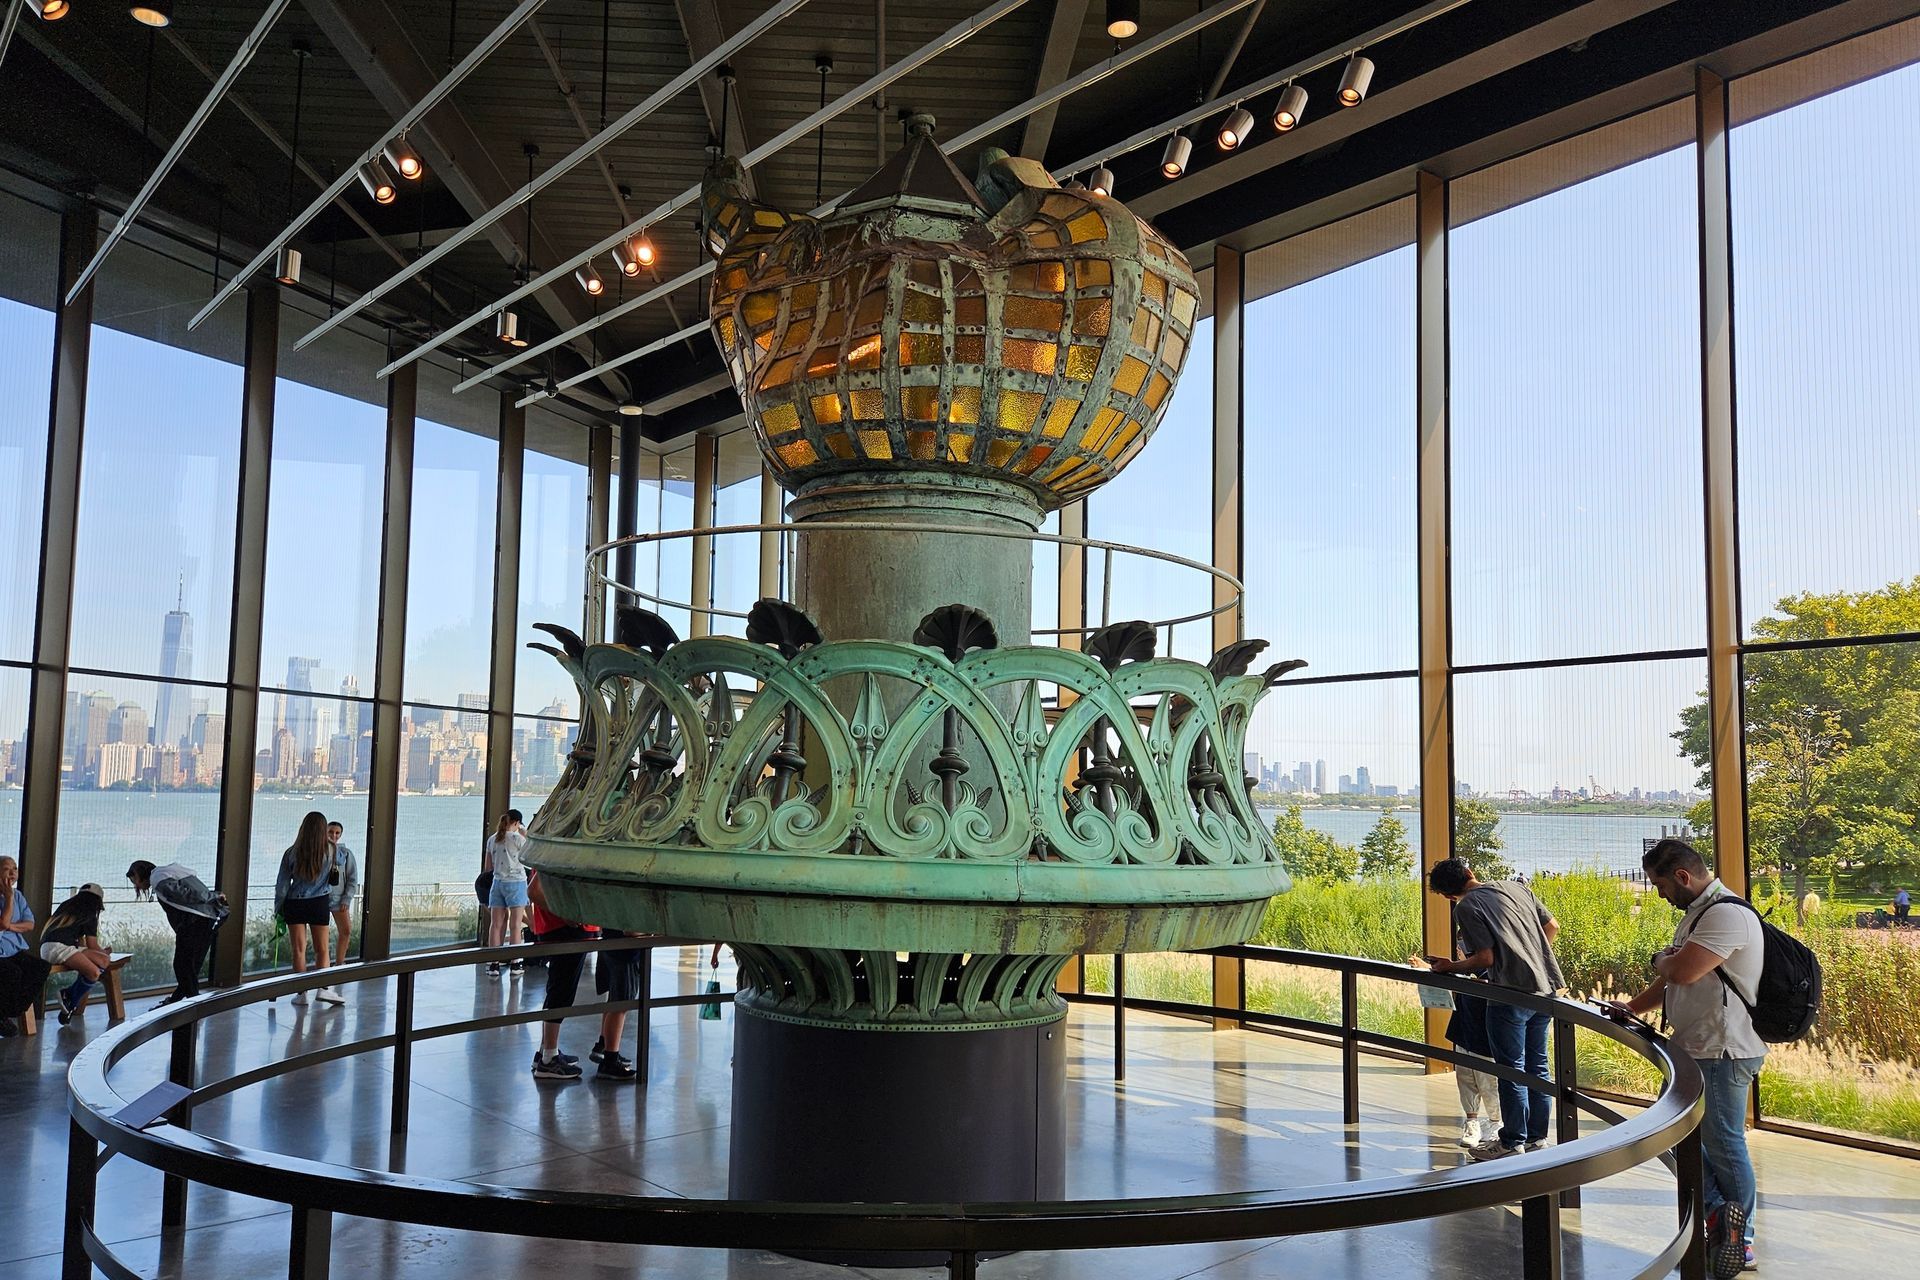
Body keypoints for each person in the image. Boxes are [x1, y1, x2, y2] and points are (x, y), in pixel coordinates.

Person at [1604, 838, 1766, 1274]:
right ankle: (1719, 1217)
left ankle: (1741, 1239)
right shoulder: (1700, 914)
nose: (1659, 895)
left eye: (1660, 886)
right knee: (1679, 1136)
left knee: (1724, 1144)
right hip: (1695, 1047)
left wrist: (1661, 957)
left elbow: (1681, 970)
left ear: (1682, 876)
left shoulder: (1727, 915)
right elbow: (1675, 981)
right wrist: (1633, 1007)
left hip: (1722, 1049)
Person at [1423, 856, 1563, 1162]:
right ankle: (1537, 1137)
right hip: (1545, 987)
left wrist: (1449, 966)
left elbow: (1485, 959)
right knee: (1538, 1066)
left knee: (1510, 1069)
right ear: (1470, 872)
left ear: (1447, 895)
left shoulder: (1466, 907)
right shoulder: (1516, 888)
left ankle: (1512, 1141)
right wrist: (1532, 958)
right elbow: (1552, 926)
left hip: (1508, 994)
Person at [126, 858, 228, 1006]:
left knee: (182, 966)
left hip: (197, 921)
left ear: (138, 874)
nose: (136, 885)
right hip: (207, 918)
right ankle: (178, 1000)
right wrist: (213, 896)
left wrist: (214, 896)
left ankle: (195, 1004)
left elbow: (184, 895)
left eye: (133, 880)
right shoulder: (167, 873)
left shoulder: (158, 878)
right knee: (190, 966)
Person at [275, 811, 343, 1007]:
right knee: (322, 949)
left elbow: (282, 885)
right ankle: (323, 989)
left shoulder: (291, 852)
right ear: (323, 829)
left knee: (298, 950)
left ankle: (301, 994)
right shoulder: (332, 850)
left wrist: (278, 908)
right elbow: (341, 862)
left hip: (295, 903)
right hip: (319, 902)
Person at [526, 871, 589, 1081]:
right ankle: (549, 1059)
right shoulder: (554, 858)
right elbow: (534, 890)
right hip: (565, 929)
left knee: (558, 988)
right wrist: (566, 915)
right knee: (561, 991)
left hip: (561, 928)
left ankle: (546, 1050)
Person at [39, 885, 110, 1025]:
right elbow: (92, 945)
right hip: (58, 948)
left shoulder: (67, 906)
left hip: (52, 947)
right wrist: (105, 952)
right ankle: (70, 996)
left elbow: (81, 942)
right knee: (94, 972)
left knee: (103, 960)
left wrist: (102, 954)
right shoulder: (90, 912)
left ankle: (69, 1002)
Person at [0, 856, 52, 1037]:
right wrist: (8, 898)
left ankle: (10, 1011)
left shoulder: (18, 896)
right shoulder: (12, 896)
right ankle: (4, 1015)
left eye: (15, 868)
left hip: (14, 949)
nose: (12, 873)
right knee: (12, 973)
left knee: (41, 967)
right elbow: (2, 922)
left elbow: (30, 924)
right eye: (7, 869)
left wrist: (10, 927)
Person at [591, 928, 642, 1081]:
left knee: (613, 1001)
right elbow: (632, 931)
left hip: (609, 945)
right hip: (625, 953)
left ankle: (605, 1047)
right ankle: (610, 1060)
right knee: (621, 1005)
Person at [485, 809, 530, 978]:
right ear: (517, 823)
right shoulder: (518, 839)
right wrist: (525, 833)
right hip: (516, 883)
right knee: (515, 925)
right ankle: (515, 964)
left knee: (496, 925)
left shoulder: (492, 839)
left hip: (497, 884)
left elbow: (488, 867)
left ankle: (493, 964)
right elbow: (530, 855)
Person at [325, 821, 360, 967]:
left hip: (338, 900)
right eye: (331, 832)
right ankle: (324, 965)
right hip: (320, 899)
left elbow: (352, 878)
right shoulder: (319, 852)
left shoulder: (346, 854)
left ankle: (340, 963)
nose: (334, 835)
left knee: (345, 930)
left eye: (337, 832)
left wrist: (347, 898)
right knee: (322, 935)